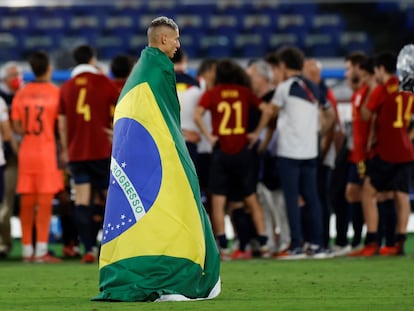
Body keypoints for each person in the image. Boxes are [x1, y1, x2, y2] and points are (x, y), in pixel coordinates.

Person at [94, 16, 220, 302]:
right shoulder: (158, 69)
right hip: (156, 155)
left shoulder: (144, 69)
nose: (178, 45)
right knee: (178, 205)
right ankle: (171, 270)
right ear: (163, 39)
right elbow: (156, 117)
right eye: (176, 39)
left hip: (141, 155)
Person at [194, 58, 273, 259]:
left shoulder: (212, 93)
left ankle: (222, 245)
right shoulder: (245, 93)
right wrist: (256, 132)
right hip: (243, 152)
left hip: (221, 151)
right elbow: (267, 110)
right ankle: (263, 242)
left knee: (218, 201)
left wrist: (209, 135)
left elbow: (197, 115)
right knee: (251, 198)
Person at [270, 46, 335, 259]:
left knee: (292, 198)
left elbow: (271, 114)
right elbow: (330, 114)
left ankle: (296, 245)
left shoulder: (285, 87)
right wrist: (318, 133)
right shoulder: (314, 87)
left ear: (283, 66)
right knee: (312, 198)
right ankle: (317, 244)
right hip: (310, 151)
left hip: (289, 152)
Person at [58, 44, 119, 263]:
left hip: (77, 152)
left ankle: (89, 249)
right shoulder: (104, 82)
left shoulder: (66, 87)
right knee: (109, 199)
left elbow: (62, 124)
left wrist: (66, 150)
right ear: (92, 60)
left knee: (82, 199)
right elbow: (122, 106)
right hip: (102, 149)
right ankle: (112, 248)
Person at [351, 51, 414, 256]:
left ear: (379, 69)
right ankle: (399, 241)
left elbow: (365, 115)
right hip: (406, 150)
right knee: (402, 195)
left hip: (386, 151)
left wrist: (370, 90)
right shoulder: (407, 86)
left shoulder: (381, 89)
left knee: (368, 192)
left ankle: (371, 241)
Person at [11, 51, 64, 263]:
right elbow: (60, 125)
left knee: (26, 203)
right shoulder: (55, 92)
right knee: (44, 204)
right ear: (48, 68)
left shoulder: (21, 93)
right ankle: (41, 251)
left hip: (27, 151)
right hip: (46, 152)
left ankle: (26, 251)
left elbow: (16, 126)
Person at [245, 59, 290, 256]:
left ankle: (286, 241)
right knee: (264, 200)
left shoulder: (274, 96)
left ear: (262, 77)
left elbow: (274, 126)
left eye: (251, 76)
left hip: (274, 154)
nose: (249, 80)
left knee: (279, 202)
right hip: (259, 156)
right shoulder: (254, 99)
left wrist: (262, 144)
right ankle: (271, 241)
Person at [331, 51, 367, 256]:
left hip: (361, 153)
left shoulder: (368, 93)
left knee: (361, 194)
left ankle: (363, 239)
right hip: (352, 151)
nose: (346, 73)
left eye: (348, 68)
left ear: (358, 68)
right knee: (347, 194)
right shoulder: (357, 93)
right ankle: (352, 240)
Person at [303, 58, 339, 251]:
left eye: (310, 72)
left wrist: (323, 152)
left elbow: (332, 123)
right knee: (313, 197)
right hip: (312, 151)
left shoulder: (324, 93)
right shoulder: (313, 92)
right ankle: (314, 238)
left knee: (320, 197)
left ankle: (323, 240)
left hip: (321, 153)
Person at [0, 61, 22, 257]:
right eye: (14, 74)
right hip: (8, 158)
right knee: (6, 201)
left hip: (24, 154)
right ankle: (4, 243)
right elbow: (8, 133)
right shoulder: (2, 99)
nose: (18, 78)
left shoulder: (23, 95)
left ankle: (31, 245)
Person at [172, 47, 201, 164]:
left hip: (170, 139)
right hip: (192, 139)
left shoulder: (160, 83)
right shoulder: (196, 84)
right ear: (184, 59)